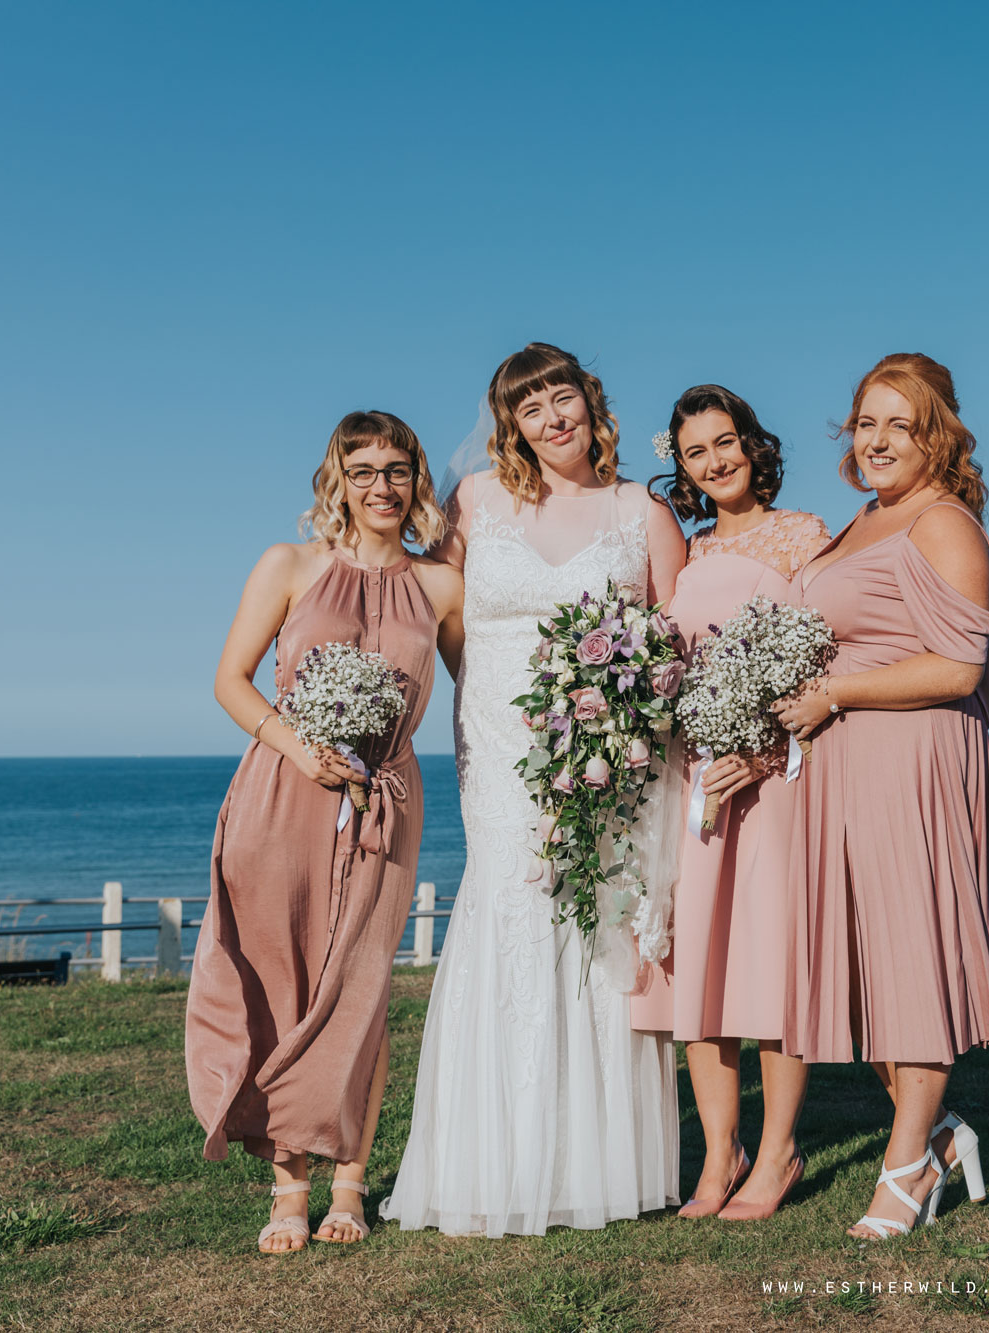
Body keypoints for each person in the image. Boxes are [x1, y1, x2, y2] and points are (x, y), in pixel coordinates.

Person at [381, 343, 687, 1235]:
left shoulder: (643, 512)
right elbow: (435, 609)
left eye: (563, 397)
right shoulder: (477, 500)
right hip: (500, 744)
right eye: (530, 407)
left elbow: (672, 644)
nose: (552, 418)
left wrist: (616, 720)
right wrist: (484, 699)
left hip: (606, 752)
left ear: (591, 403)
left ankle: (597, 1161)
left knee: (591, 926)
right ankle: (492, 1158)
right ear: (509, 423)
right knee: (509, 912)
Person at [773, 353, 989, 1240]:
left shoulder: (943, 522)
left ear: (939, 435)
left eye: (902, 423)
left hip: (912, 763)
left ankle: (904, 1169)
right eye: (866, 422)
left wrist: (836, 694)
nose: (879, 439)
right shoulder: (859, 522)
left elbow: (959, 665)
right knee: (869, 970)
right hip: (842, 765)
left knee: (910, 965)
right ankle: (936, 1137)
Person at [187, 410, 462, 1253]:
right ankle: (288, 1184)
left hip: (387, 799)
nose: (383, 486)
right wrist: (298, 747)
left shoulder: (442, 586)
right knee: (283, 983)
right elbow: (230, 681)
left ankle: (351, 1180)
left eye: (398, 469)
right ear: (337, 480)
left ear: (416, 480)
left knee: (362, 986)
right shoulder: (290, 563)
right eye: (364, 469)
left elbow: (481, 692)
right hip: (282, 794)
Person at [632, 385, 830, 1220]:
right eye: (694, 452)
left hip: (772, 780)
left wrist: (760, 750)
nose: (714, 462)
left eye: (726, 443)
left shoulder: (807, 535)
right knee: (696, 970)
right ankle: (719, 1156)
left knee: (768, 964)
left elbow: (828, 661)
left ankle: (778, 1153)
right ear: (679, 466)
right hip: (693, 780)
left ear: (754, 445)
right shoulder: (690, 553)